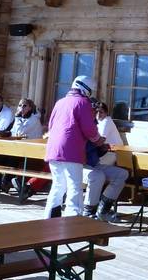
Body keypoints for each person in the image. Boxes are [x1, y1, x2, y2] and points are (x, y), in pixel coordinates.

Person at [44, 76, 108, 218]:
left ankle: (49, 217)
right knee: (74, 186)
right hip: (71, 150)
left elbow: (51, 125)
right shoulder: (83, 102)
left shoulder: (60, 102)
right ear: (86, 89)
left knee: (58, 185)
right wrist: (99, 140)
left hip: (53, 149)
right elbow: (89, 129)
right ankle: (72, 220)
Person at [83, 102, 129, 222]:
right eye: (94, 111)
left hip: (97, 162)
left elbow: (98, 144)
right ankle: (88, 211)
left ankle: (103, 210)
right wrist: (98, 145)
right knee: (98, 176)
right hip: (79, 165)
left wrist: (101, 148)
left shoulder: (101, 123)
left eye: (99, 111)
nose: (97, 114)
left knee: (122, 174)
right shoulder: (81, 125)